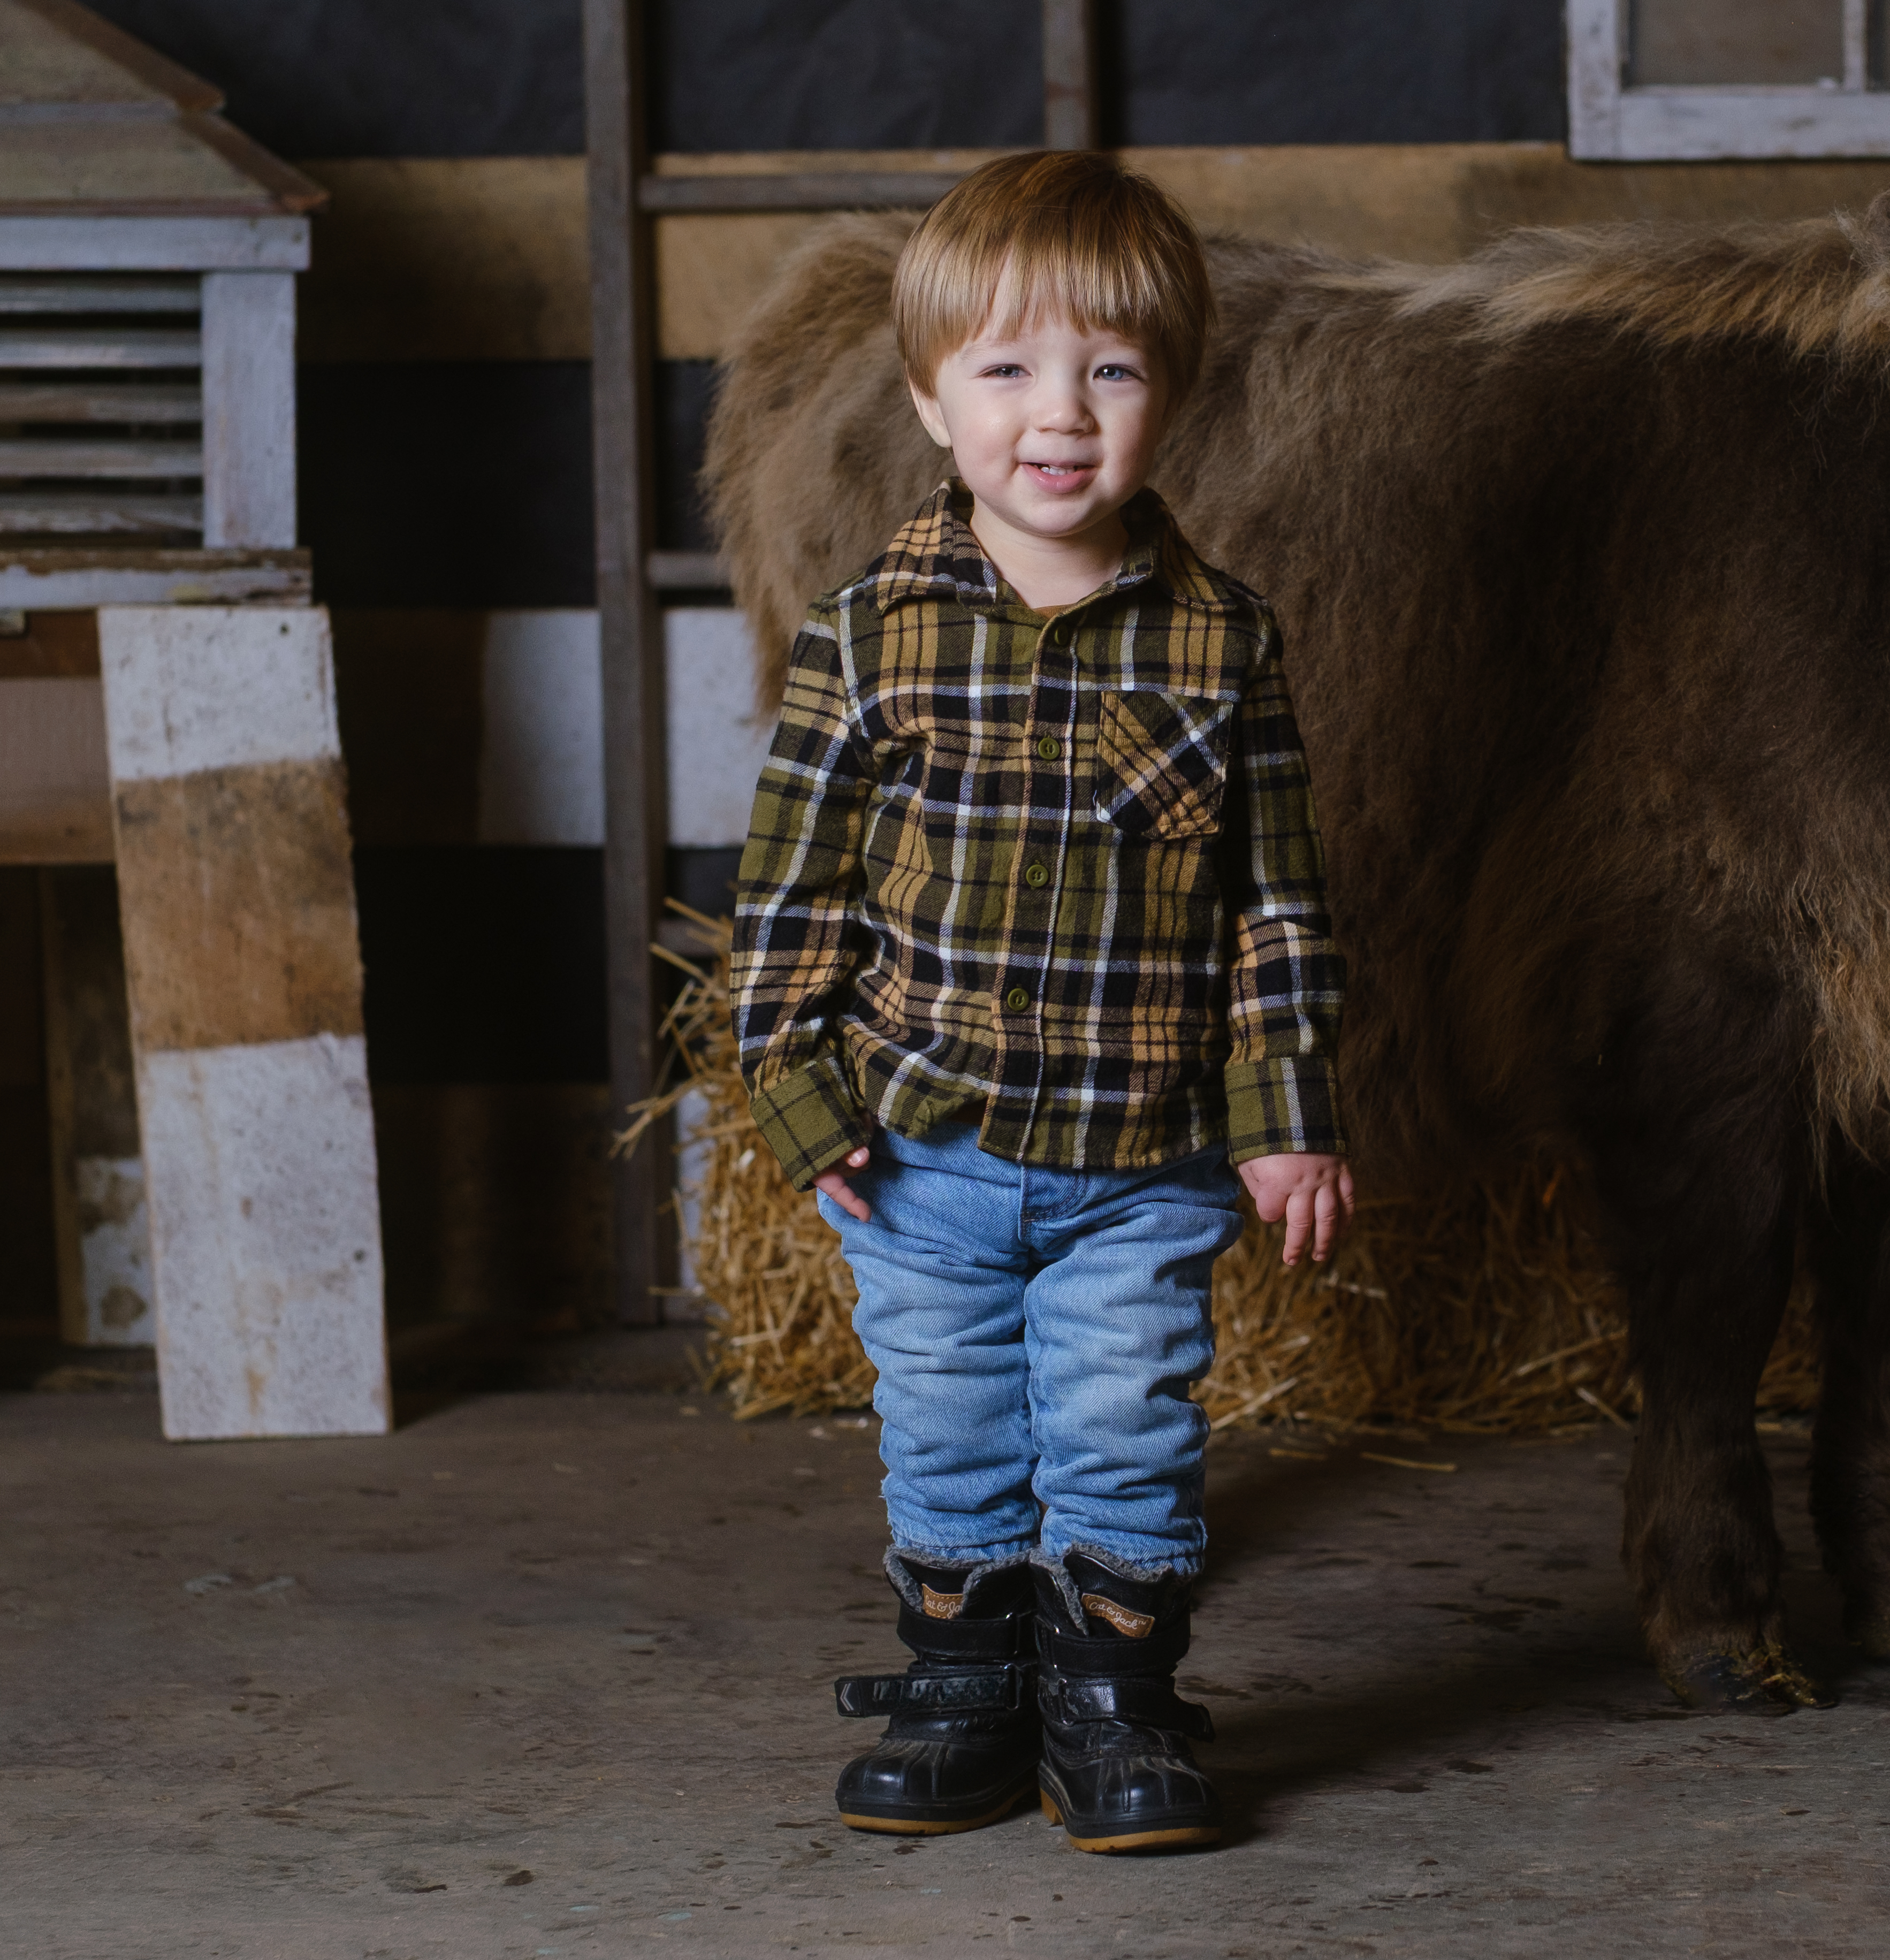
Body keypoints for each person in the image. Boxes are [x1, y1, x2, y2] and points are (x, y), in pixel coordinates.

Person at [731, 150, 1351, 1854]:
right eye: (1004, 368)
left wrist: (1286, 1122)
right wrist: (797, 1093)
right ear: (932, 401)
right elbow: (791, 891)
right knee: (944, 1427)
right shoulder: (869, 636)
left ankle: (1117, 1706)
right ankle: (966, 1695)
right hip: (922, 1149)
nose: (1056, 414)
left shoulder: (1226, 644)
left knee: (1124, 1422)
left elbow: (1277, 905)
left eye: (1111, 369)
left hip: (1141, 1158)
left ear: (1173, 396)